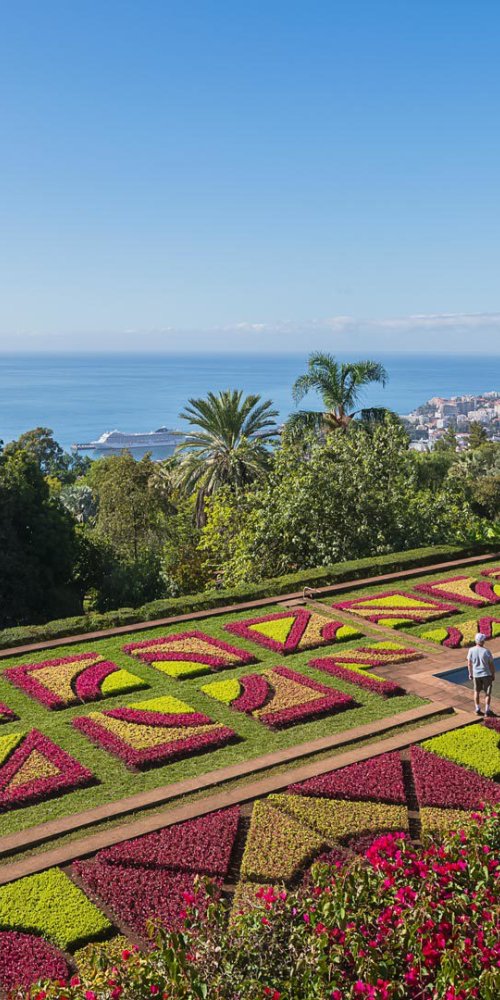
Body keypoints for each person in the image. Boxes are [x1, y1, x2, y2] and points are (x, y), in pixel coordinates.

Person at [467, 633, 495, 717]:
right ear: (483, 641)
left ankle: (477, 709)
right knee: (487, 694)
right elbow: (491, 665)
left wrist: (470, 673)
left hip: (476, 675)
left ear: (476, 641)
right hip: (486, 674)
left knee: (476, 692)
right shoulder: (486, 651)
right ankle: (487, 710)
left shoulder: (471, 650)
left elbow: (469, 663)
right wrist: (493, 674)